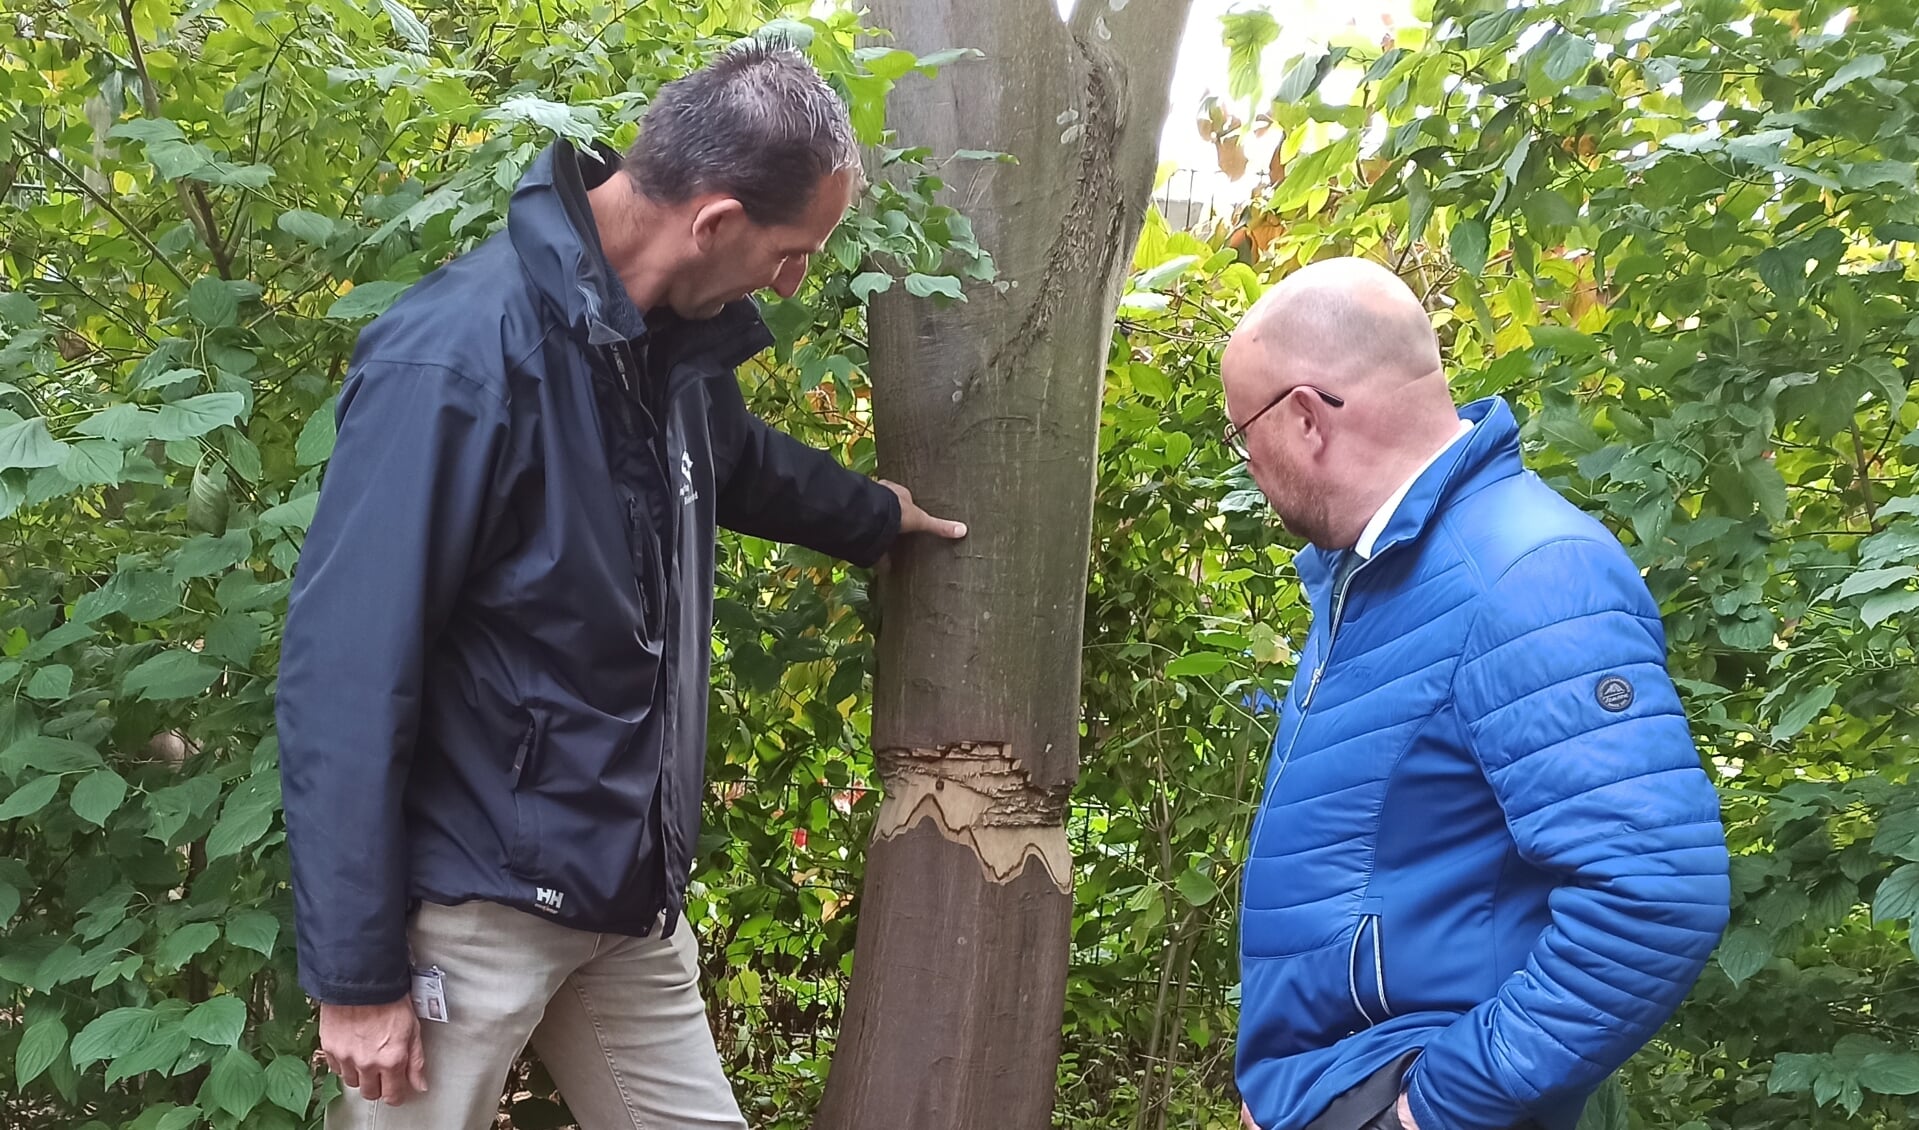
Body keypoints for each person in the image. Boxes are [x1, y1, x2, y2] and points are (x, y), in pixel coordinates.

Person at [276, 43, 965, 1130]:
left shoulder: (662, 346)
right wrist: (357, 974)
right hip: (476, 905)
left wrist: (877, 517)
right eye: (794, 253)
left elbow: (735, 463)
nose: (793, 284)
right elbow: (345, 676)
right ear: (716, 221)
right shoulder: (461, 359)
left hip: (624, 890)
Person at [1219, 258, 1730, 1130]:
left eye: (1242, 435)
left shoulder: (1523, 575)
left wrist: (1428, 1111)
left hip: (1411, 1085)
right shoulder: (1377, 577)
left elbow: (1653, 895)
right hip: (1339, 1085)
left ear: (1303, 417)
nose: (1249, 463)